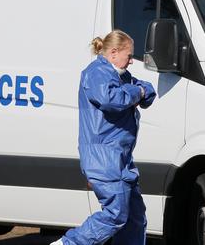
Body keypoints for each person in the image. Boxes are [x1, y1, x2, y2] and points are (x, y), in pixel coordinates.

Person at [52, 30, 156, 245]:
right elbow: (112, 100)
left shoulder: (119, 75)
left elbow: (148, 91)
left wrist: (139, 92)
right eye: (129, 56)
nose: (131, 61)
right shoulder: (97, 73)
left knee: (135, 217)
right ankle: (68, 244)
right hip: (104, 157)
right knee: (115, 214)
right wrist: (137, 93)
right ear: (114, 53)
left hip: (121, 157)